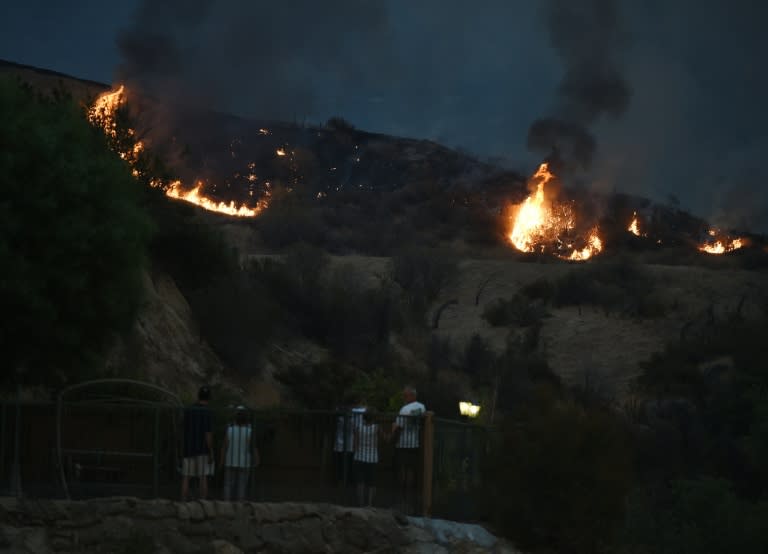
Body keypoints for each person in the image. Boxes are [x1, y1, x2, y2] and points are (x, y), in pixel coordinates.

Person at [391, 386, 426, 513]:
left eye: (405, 395)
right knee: (411, 471)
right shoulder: (422, 407)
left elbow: (399, 427)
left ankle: (401, 501)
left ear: (412, 395)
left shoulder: (404, 409)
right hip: (414, 444)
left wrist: (392, 437)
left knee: (402, 470)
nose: (403, 398)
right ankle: (408, 501)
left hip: (403, 444)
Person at [181, 386, 214, 501]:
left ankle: (183, 502)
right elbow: (208, 435)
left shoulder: (189, 410)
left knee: (186, 477)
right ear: (209, 398)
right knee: (202, 477)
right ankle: (203, 503)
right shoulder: (208, 412)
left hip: (188, 448)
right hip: (202, 450)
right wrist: (211, 451)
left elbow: (183, 428)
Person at [220, 405, 259, 501]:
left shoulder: (230, 430)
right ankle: (239, 507)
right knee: (242, 487)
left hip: (230, 460)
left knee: (228, 485)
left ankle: (226, 507)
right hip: (244, 462)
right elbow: (253, 447)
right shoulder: (250, 431)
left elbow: (224, 447)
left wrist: (221, 461)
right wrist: (257, 459)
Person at [353, 408, 387, 507]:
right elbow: (385, 438)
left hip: (359, 457)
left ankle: (361, 504)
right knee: (372, 482)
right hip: (372, 458)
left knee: (360, 482)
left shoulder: (358, 427)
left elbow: (355, 444)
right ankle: (370, 504)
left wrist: (355, 454)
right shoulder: (377, 428)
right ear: (374, 418)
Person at [333, 400, 366, 488]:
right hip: (346, 445)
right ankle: (344, 483)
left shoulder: (342, 412)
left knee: (346, 466)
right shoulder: (354, 413)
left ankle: (345, 483)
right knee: (345, 466)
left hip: (347, 445)